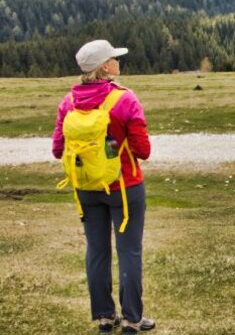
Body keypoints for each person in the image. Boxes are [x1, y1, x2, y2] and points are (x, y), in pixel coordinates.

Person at [52, 40, 155, 333]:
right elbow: (143, 150)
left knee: (96, 251)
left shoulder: (68, 102)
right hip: (125, 188)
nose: (117, 62)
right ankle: (133, 320)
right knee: (129, 252)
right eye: (114, 58)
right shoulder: (124, 99)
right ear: (105, 67)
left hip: (86, 188)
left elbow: (58, 149)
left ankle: (105, 317)